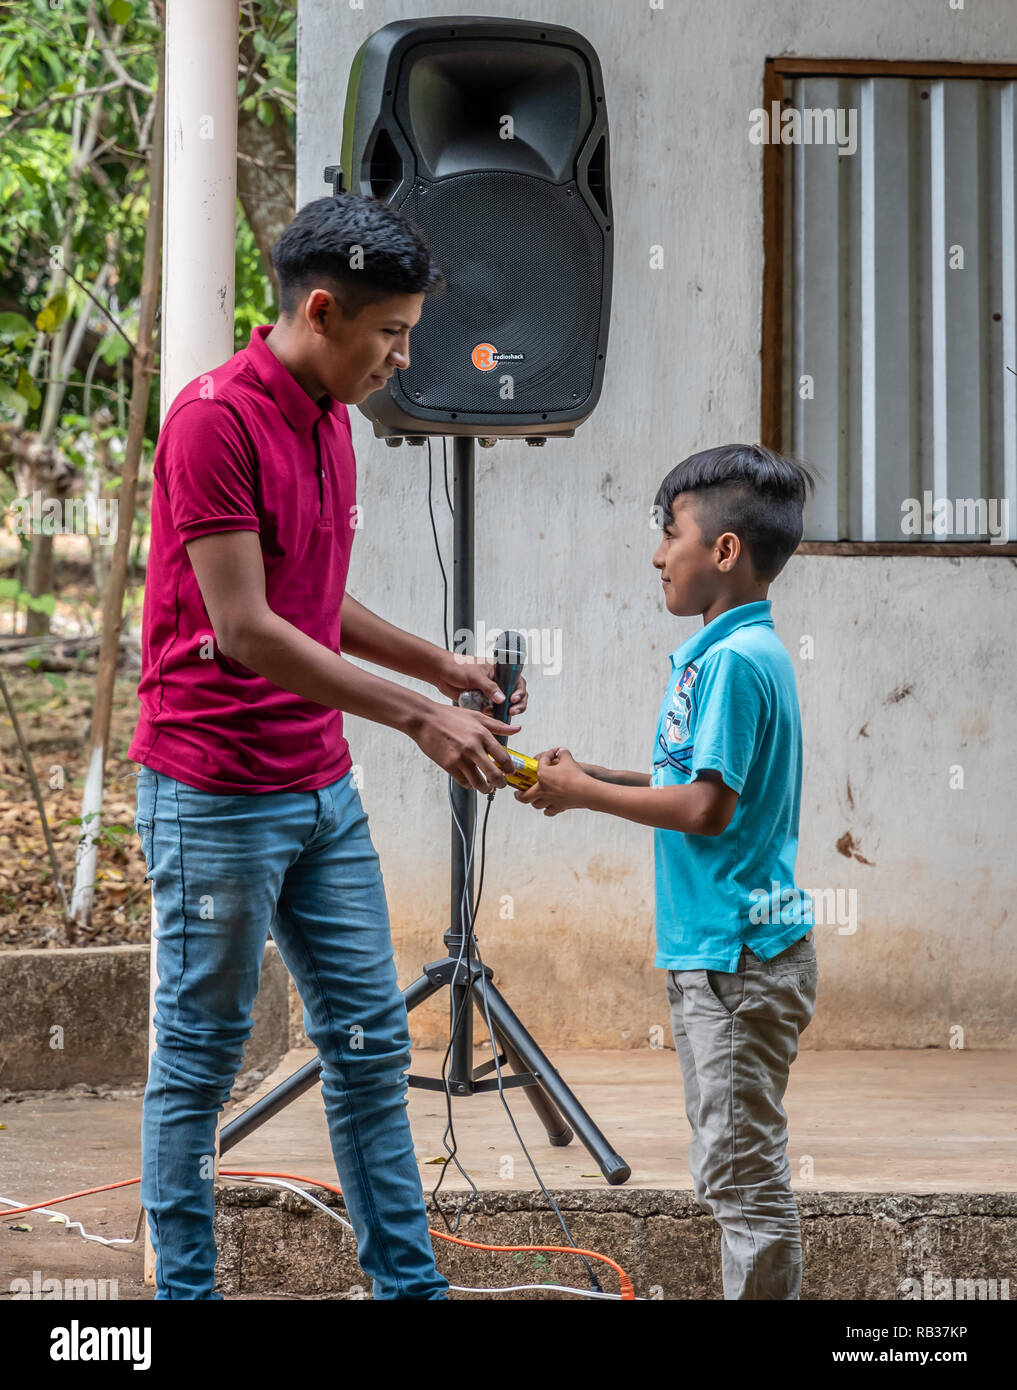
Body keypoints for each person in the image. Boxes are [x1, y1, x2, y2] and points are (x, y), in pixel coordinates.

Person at [130, 194, 527, 1300]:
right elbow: (247, 627)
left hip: (318, 790)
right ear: (321, 309)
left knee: (368, 1049)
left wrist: (437, 668)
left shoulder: (331, 419)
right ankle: (185, 1298)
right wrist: (416, 718)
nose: (403, 357)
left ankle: (409, 1290)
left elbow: (311, 596)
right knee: (201, 1062)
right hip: (211, 791)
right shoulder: (212, 420)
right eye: (391, 332)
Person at [515, 443, 818, 1300]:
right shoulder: (733, 652)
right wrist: (596, 775)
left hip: (735, 959)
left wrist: (581, 798)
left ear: (722, 551)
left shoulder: (730, 662)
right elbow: (698, 782)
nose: (656, 554)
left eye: (668, 532)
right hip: (725, 954)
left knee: (740, 1177)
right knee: (732, 1163)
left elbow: (705, 810)